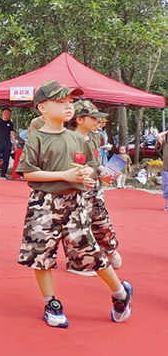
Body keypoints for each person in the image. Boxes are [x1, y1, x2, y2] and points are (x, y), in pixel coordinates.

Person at [15, 81, 132, 328]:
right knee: (40, 254)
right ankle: (51, 303)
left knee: (89, 252)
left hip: (75, 203)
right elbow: (28, 173)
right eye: (61, 102)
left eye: (70, 102)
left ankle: (120, 293)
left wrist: (84, 175)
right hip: (43, 203)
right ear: (42, 108)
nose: (69, 106)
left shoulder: (78, 139)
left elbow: (88, 165)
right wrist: (64, 175)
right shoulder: (36, 139)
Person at [70, 100, 121, 273]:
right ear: (79, 119)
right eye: (93, 118)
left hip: (95, 186)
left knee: (101, 219)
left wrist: (108, 172)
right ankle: (79, 262)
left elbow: (95, 162)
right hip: (77, 187)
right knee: (79, 224)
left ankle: (108, 249)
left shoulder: (94, 137)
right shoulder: (69, 139)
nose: (98, 122)